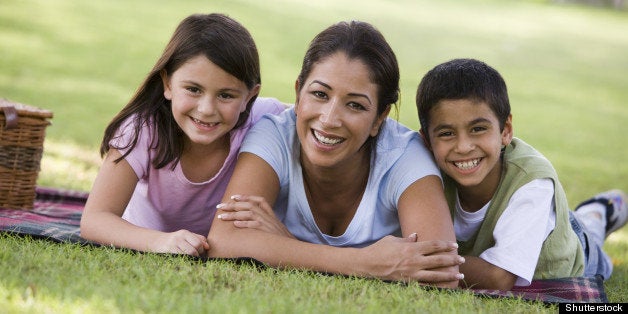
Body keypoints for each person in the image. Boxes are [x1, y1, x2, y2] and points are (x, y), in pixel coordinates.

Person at [207, 20, 464, 287]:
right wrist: (366, 263)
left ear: (380, 118)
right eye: (319, 94)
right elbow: (224, 241)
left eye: (355, 105)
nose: (329, 119)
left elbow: (442, 274)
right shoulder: (275, 135)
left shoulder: (404, 157)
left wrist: (283, 245)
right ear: (298, 94)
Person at [80, 13, 285, 257]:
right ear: (168, 84)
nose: (207, 109)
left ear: (249, 97)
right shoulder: (141, 130)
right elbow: (94, 219)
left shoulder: (266, 117)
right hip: (149, 236)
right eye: (193, 89)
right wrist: (161, 242)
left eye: (226, 95)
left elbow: (312, 117)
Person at [415, 58, 628, 290]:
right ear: (426, 140)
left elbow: (498, 278)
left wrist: (414, 261)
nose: (464, 146)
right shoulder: (423, 174)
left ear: (505, 131)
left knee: (590, 239)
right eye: (446, 133)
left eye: (478, 129)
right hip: (533, 220)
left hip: (575, 251)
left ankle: (599, 212)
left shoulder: (532, 183)